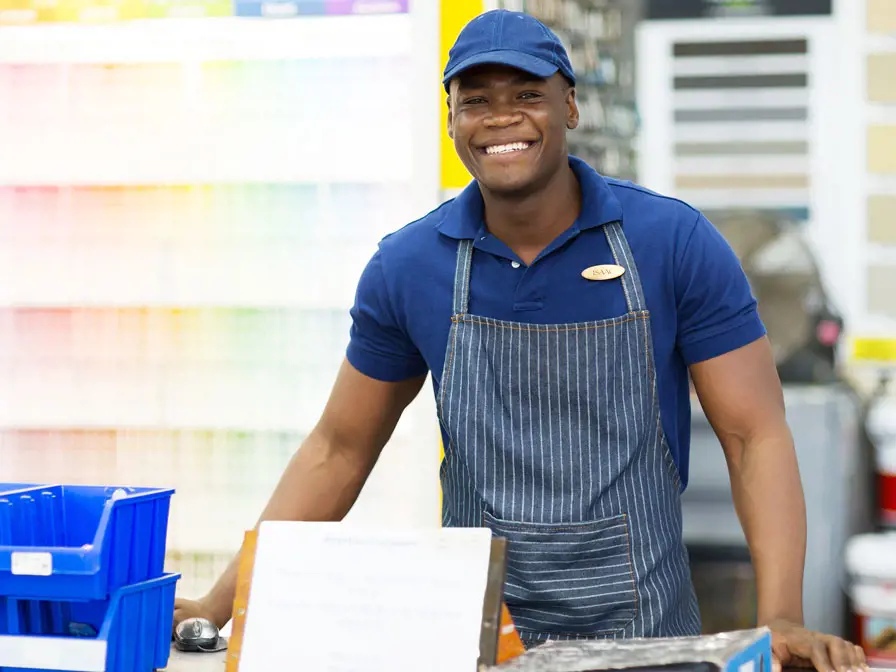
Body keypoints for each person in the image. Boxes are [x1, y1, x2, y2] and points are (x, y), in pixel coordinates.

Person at [174, 9, 867, 670]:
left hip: (646, 641)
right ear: (451, 119)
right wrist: (219, 603)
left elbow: (756, 437)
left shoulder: (672, 243)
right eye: (475, 100)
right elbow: (338, 449)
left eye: (526, 94)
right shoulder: (408, 266)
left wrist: (779, 614)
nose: (501, 117)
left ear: (569, 106)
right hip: (477, 640)